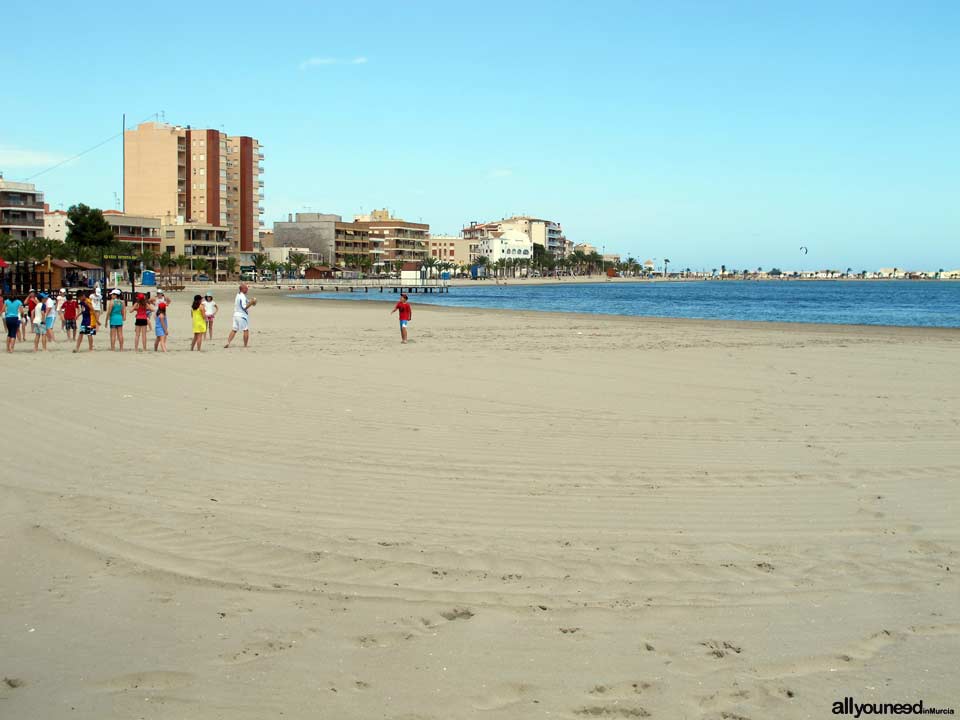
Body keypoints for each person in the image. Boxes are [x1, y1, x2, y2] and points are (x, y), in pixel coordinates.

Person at [223, 284, 257, 348]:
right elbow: (244, 307)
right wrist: (252, 302)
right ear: (242, 289)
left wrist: (252, 302)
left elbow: (248, 302)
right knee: (246, 330)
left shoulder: (238, 295)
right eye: (246, 288)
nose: (247, 289)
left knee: (234, 329)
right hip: (242, 316)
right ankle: (245, 345)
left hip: (236, 315)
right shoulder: (242, 297)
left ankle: (228, 342)